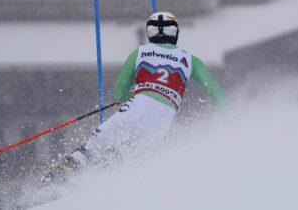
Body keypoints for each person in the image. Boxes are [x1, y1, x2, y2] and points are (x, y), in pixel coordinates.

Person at [43, 11, 227, 184]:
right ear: (175, 33)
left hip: (137, 107)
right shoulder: (191, 60)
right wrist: (231, 117)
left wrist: (130, 95)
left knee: (97, 144)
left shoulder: (139, 52)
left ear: (150, 33)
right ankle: (105, 178)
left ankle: (63, 175)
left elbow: (119, 93)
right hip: (164, 119)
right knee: (131, 155)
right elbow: (216, 92)